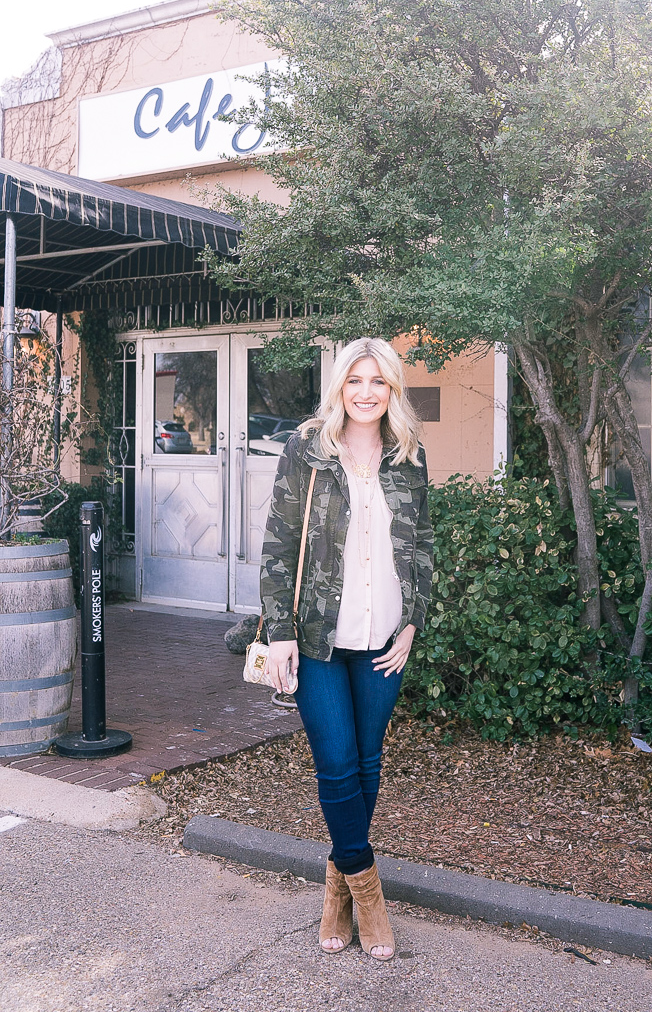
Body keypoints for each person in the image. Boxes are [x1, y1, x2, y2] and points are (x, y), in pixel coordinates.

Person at [260, 337, 433, 960]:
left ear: (393, 390)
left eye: (378, 382)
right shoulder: (309, 449)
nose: (366, 393)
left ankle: (336, 890)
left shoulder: (409, 457)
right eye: (355, 381)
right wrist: (279, 631)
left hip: (385, 636)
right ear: (339, 387)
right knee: (336, 761)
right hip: (316, 639)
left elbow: (422, 548)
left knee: (366, 761)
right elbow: (280, 546)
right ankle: (368, 896)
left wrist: (413, 622)